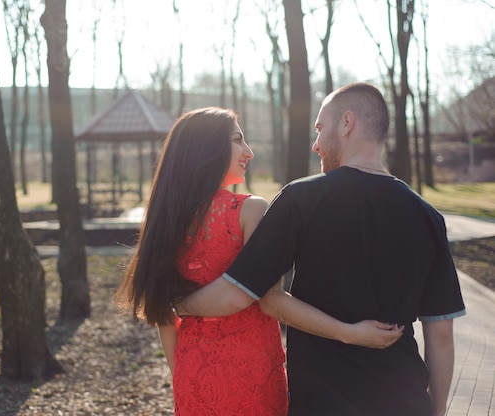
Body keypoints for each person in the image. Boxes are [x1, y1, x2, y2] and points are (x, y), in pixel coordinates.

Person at [174, 83, 466, 416]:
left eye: (320, 127)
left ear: (346, 123)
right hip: (404, 401)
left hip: (322, 401)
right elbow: (441, 333)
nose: (315, 144)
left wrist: (178, 302)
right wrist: (437, 410)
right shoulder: (428, 216)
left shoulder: (300, 199)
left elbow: (254, 296)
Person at [116, 106, 403, 415]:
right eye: (238, 140)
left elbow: (164, 313)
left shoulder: (166, 220)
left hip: (192, 373)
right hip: (251, 374)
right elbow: (270, 299)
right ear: (207, 148)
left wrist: (184, 376)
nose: (249, 152)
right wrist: (348, 332)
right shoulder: (250, 210)